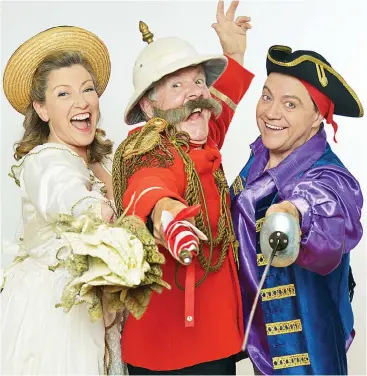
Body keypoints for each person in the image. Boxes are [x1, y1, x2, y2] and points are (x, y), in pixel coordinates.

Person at [1, 25, 162, 375]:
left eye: (88, 89)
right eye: (63, 94)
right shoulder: (45, 160)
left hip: (102, 320)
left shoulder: (104, 160)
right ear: (41, 109)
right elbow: (71, 200)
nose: (82, 101)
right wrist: (103, 214)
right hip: (57, 322)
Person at [112, 1, 254, 374]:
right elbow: (149, 185)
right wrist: (168, 218)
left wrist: (234, 54)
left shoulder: (198, 138)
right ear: (149, 105)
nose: (194, 93)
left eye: (197, 82)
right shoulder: (149, 149)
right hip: (173, 349)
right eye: (176, 85)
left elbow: (217, 110)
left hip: (215, 335)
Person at [230, 44, 364, 375]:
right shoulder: (261, 152)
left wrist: (293, 212)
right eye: (266, 97)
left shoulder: (328, 176)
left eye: (290, 104)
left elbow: (324, 205)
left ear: (319, 115)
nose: (271, 112)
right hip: (260, 346)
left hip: (307, 359)